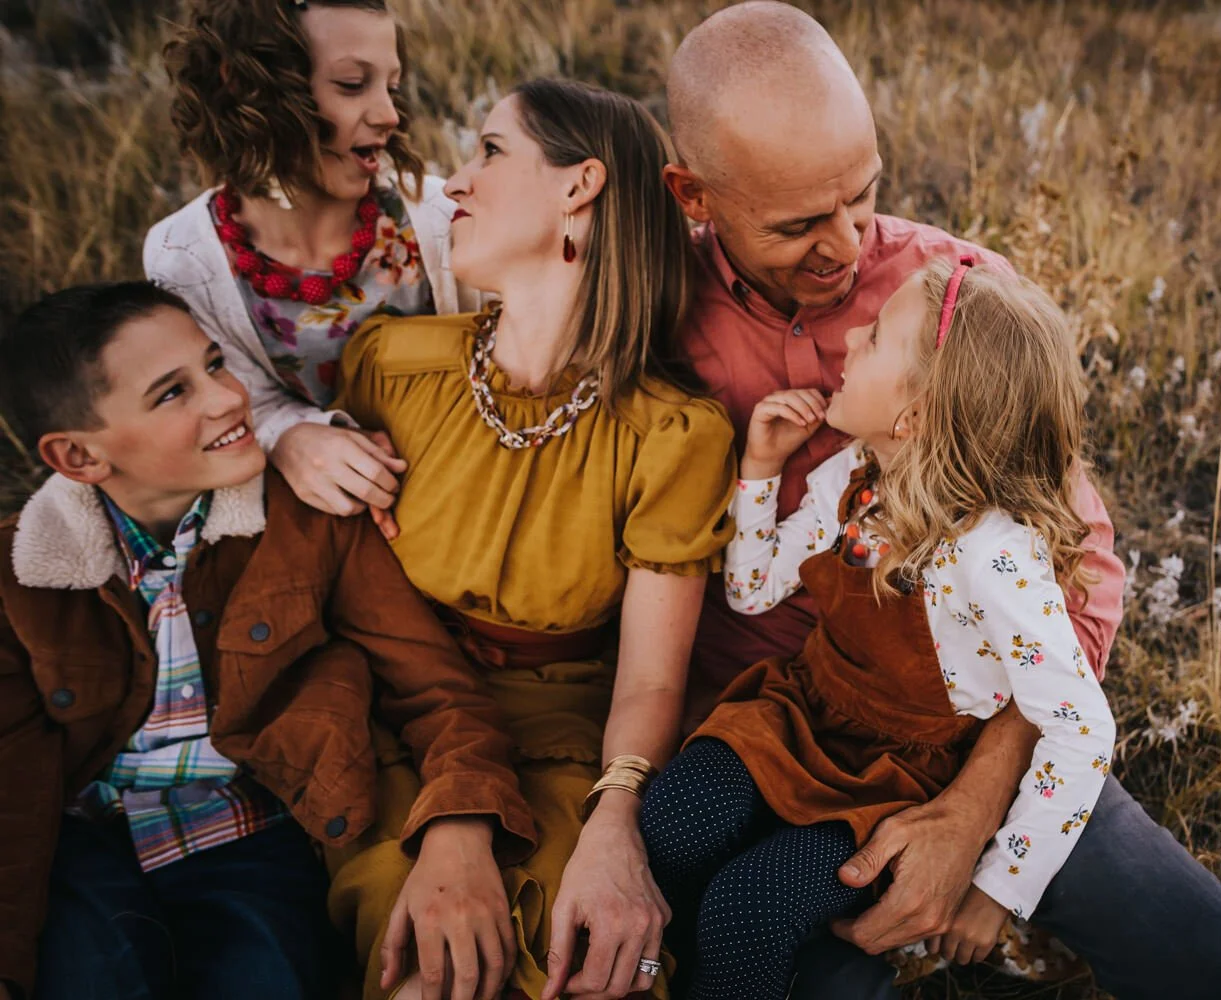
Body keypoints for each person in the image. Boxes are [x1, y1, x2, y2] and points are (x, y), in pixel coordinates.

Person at [664, 4, 1221, 998]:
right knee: (765, 946)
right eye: (797, 224)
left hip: (968, 727)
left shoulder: (958, 300)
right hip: (767, 723)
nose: (843, 243)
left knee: (1212, 958)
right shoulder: (651, 309)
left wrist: (976, 817)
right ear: (694, 195)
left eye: (862, 196)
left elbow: (1079, 571)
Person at [0, 282, 536, 1000]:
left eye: (216, 364)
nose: (225, 398)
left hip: (248, 835)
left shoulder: (309, 521)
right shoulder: (18, 577)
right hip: (84, 848)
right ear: (78, 455)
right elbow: (14, 787)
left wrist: (462, 827)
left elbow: (436, 687)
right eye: (172, 394)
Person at [329, 78, 737, 1000]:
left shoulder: (673, 434)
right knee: (426, 971)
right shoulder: (393, 370)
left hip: (565, 737)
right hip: (393, 718)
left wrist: (615, 823)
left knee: (578, 967)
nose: (453, 185)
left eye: (488, 150)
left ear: (579, 185)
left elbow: (648, 680)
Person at [643, 259, 1117, 998]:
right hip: (798, 713)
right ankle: (653, 971)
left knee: (749, 911)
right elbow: (751, 589)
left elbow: (1082, 728)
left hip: (895, 777)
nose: (853, 331)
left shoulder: (995, 556)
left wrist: (998, 886)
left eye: (875, 338)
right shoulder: (852, 478)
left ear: (916, 416)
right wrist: (761, 467)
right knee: (673, 822)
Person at [145, 0, 476, 530]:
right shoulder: (184, 257)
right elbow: (239, 401)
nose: (388, 115)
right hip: (321, 522)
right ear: (248, 90)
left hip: (465, 498)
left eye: (391, 87)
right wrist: (289, 439)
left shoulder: (440, 218)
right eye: (351, 84)